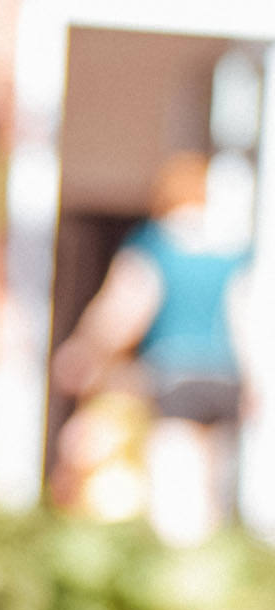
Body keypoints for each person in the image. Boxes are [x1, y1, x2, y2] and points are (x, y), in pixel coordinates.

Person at [52, 153, 254, 546]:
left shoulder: (157, 245)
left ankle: (180, 577)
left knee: (177, 484)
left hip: (175, 372)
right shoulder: (232, 250)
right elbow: (244, 316)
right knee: (213, 483)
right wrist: (253, 379)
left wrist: (86, 349)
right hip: (224, 376)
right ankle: (211, 564)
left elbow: (126, 307)